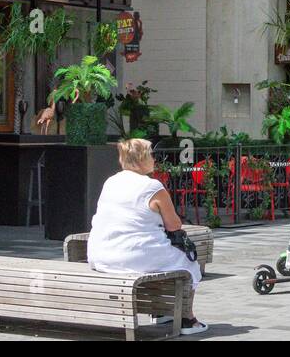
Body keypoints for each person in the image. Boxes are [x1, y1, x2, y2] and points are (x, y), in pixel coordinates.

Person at [88, 139, 206, 335]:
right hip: (132, 255)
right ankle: (187, 320)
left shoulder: (111, 181)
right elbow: (174, 224)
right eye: (151, 155)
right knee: (188, 263)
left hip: (100, 254)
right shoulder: (152, 186)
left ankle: (161, 311)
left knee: (161, 257)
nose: (154, 159)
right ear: (142, 159)